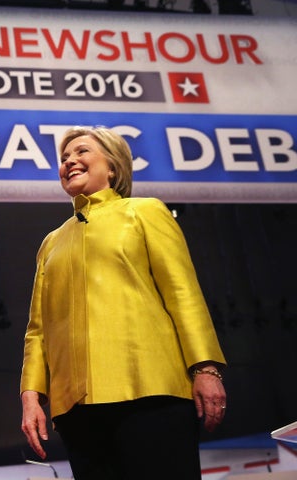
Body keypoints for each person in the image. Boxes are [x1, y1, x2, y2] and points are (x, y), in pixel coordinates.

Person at [20, 126, 227, 480]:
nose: (70, 161)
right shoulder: (50, 243)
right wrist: (30, 396)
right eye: (64, 157)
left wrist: (205, 368)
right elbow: (37, 330)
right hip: (76, 408)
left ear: (113, 167)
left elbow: (182, 292)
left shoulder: (144, 212)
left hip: (152, 392)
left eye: (82, 152)